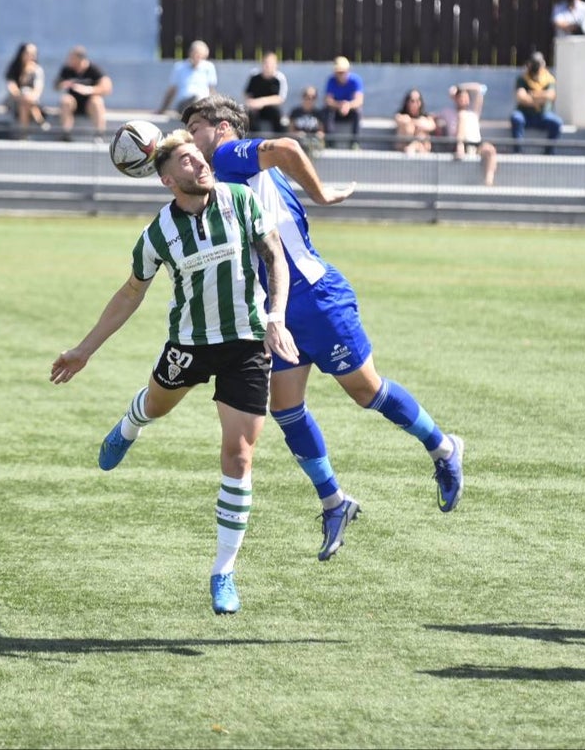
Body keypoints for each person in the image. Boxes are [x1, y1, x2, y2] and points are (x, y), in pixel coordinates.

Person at [181, 95, 466, 562]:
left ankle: (443, 446)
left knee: (366, 392)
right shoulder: (234, 174)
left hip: (315, 298)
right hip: (285, 305)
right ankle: (335, 502)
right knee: (286, 407)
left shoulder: (233, 155)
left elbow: (290, 146)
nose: (192, 138)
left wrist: (322, 193)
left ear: (223, 127)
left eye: (195, 127)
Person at [49, 129, 298, 616]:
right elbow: (130, 293)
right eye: (186, 161)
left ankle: (223, 570)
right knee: (156, 405)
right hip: (189, 344)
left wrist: (275, 316)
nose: (200, 164)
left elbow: (275, 258)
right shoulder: (157, 234)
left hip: (247, 343)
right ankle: (129, 425)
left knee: (240, 455)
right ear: (167, 179)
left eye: (198, 157)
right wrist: (84, 350)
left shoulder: (242, 201)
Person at [440, 82, 497, 186]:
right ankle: (460, 146)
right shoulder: (447, 112)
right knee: (462, 116)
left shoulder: (473, 112)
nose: (463, 99)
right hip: (457, 145)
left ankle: (489, 181)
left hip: (475, 144)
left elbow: (479, 89)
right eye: (460, 97)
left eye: (465, 97)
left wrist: (460, 87)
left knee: (490, 150)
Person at [56, 45, 112, 139]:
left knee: (97, 101)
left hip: (89, 103)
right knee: (65, 100)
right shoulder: (67, 70)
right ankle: (66, 134)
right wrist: (63, 84)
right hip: (73, 103)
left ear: (79, 58)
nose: (69, 60)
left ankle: (99, 135)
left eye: (72, 58)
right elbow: (56, 85)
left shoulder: (94, 69)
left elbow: (107, 87)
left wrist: (89, 90)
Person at [510, 51, 562, 153]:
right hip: (526, 115)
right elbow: (521, 97)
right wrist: (540, 98)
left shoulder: (549, 79)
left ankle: (549, 153)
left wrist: (532, 94)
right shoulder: (522, 79)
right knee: (516, 118)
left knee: (556, 122)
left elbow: (551, 95)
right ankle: (518, 152)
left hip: (543, 115)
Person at [158, 40, 217, 116]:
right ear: (190, 53)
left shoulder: (209, 67)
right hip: (184, 103)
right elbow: (172, 90)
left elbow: (211, 90)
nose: (197, 57)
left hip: (203, 102)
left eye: (200, 55)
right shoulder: (179, 67)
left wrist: (216, 106)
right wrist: (162, 109)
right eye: (196, 54)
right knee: (193, 101)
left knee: (201, 101)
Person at [4, 42, 47, 135]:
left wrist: (27, 97)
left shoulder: (37, 70)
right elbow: (13, 89)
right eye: (29, 53)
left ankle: (23, 134)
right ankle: (39, 119)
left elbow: (37, 91)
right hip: (16, 102)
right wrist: (25, 74)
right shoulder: (14, 68)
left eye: (34, 54)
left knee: (25, 100)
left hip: (31, 102)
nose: (32, 56)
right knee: (25, 93)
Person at [323, 56, 364, 149]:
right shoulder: (331, 80)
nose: (340, 74)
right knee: (327, 112)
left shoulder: (356, 80)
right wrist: (339, 105)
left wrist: (348, 106)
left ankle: (355, 143)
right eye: (338, 72)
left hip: (350, 111)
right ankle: (330, 142)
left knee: (358, 112)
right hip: (336, 111)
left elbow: (359, 100)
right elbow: (328, 100)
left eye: (342, 72)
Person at [243, 51, 288, 135]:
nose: (268, 66)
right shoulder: (254, 76)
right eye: (266, 63)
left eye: (270, 64)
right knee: (247, 115)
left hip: (271, 108)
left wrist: (262, 102)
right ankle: (251, 139)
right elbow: (247, 94)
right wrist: (252, 103)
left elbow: (280, 98)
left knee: (277, 115)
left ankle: (278, 138)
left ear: (276, 65)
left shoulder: (279, 78)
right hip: (255, 108)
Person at [394, 89, 437, 155]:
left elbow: (432, 126)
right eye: (412, 101)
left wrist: (416, 123)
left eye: (417, 101)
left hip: (421, 149)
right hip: (404, 150)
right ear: (407, 102)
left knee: (422, 126)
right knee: (408, 124)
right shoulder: (401, 115)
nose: (415, 104)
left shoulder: (425, 117)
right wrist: (413, 123)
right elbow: (402, 120)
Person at [287, 86, 327, 152]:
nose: (310, 100)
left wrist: (318, 135)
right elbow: (290, 131)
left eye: (313, 97)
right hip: (298, 144)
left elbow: (321, 131)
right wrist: (297, 134)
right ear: (303, 97)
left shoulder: (319, 113)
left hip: (313, 144)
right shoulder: (295, 112)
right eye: (307, 97)